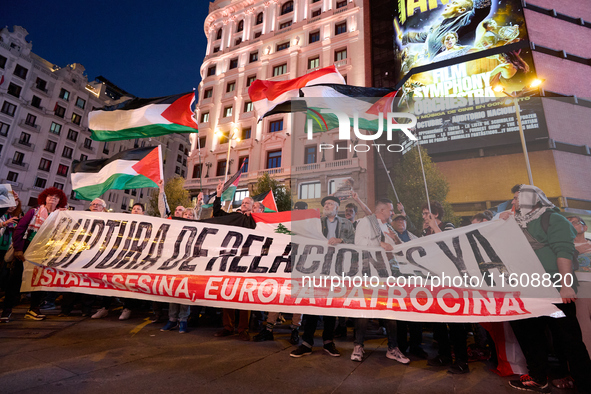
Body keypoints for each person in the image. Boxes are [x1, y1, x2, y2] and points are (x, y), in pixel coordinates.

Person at [500, 185, 591, 392]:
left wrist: (566, 286)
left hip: (554, 291)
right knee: (529, 335)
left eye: (518, 198)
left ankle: (585, 383)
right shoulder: (516, 222)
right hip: (526, 290)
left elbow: (564, 252)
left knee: (568, 339)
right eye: (514, 199)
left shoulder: (553, 219)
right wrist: (502, 222)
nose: (514, 202)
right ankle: (538, 376)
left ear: (534, 200)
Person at [290, 196, 354, 358]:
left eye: (330, 203)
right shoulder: (316, 222)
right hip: (317, 269)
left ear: (337, 207)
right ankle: (307, 342)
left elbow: (355, 241)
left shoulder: (347, 223)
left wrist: (341, 240)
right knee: (312, 305)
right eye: (325, 204)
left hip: (337, 269)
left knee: (330, 307)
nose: (327, 205)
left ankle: (328, 341)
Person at [351, 199, 410, 364]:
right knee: (364, 310)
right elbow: (359, 243)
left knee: (390, 311)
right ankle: (358, 345)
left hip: (386, 274)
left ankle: (392, 348)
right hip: (368, 273)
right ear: (382, 210)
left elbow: (395, 249)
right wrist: (379, 244)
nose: (392, 213)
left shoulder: (388, 227)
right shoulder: (365, 222)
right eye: (390, 210)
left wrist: (395, 242)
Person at [422, 201, 470, 374]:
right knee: (438, 322)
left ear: (436, 214)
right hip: (434, 281)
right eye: (423, 214)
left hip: (451, 282)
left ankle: (462, 361)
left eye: (427, 213)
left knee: (455, 323)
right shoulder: (425, 231)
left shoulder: (448, 226)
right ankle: (444, 355)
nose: (424, 217)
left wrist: (434, 227)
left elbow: (447, 244)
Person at [13, 187, 68, 320]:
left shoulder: (61, 215)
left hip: (46, 252)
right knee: (16, 279)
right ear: (45, 198)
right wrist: (18, 248)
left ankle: (33, 309)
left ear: (60, 200)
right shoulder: (34, 212)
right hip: (27, 250)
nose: (52, 198)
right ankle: (7, 310)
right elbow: (20, 229)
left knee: (39, 281)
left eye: (56, 197)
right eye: (50, 196)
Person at [211, 182, 256, 341]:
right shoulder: (232, 217)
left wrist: (252, 217)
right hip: (229, 261)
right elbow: (216, 212)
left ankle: (243, 329)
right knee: (227, 294)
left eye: (247, 203)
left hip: (246, 262)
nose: (244, 205)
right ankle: (228, 327)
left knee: (244, 296)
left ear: (252, 207)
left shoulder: (256, 220)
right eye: (243, 203)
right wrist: (218, 195)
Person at [91, 203, 145, 320]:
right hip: (117, 257)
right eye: (134, 209)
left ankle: (127, 308)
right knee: (109, 281)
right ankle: (104, 308)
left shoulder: (146, 225)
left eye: (138, 209)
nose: (135, 210)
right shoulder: (123, 222)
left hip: (133, 259)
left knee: (128, 283)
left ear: (143, 213)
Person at [389, 206, 427, 359]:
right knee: (400, 316)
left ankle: (416, 345)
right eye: (397, 220)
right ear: (392, 223)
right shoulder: (388, 238)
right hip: (397, 280)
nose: (400, 222)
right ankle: (402, 346)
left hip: (413, 281)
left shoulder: (413, 237)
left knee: (415, 315)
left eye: (402, 220)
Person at [60, 198, 108, 317]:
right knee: (72, 280)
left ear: (103, 208)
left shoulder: (108, 220)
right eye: (93, 204)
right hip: (78, 253)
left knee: (89, 282)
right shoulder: (81, 217)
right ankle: (66, 309)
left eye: (98, 205)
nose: (95, 206)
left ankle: (86, 309)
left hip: (95, 255)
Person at [401, 0, 491, 60]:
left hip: (460, 68)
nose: (448, 4)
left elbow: (481, 11)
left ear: (461, 10)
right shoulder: (436, 26)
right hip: (435, 74)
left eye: (454, 3)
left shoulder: (465, 21)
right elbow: (421, 36)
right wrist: (403, 38)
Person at [567, 216, 591, 359]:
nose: (572, 225)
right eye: (568, 223)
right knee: (584, 328)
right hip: (580, 288)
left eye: (575, 222)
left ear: (585, 227)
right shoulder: (566, 247)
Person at [0, 191, 21, 322]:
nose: (12, 205)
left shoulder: (17, 217)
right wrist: (4, 223)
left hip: (8, 253)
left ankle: (6, 311)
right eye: (10, 202)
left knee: (7, 281)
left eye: (15, 203)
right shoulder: (2, 216)